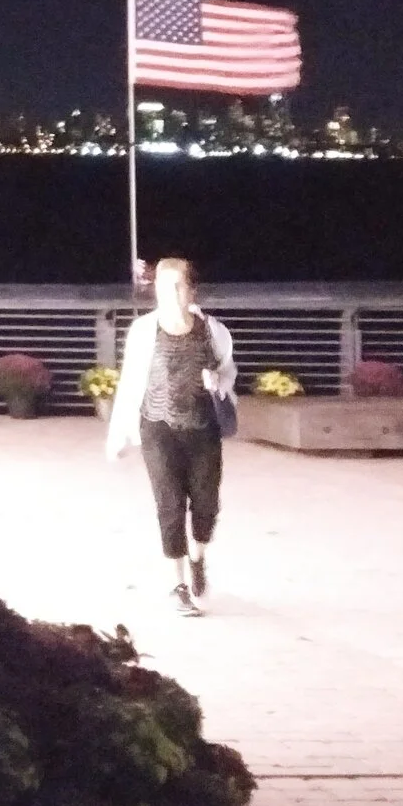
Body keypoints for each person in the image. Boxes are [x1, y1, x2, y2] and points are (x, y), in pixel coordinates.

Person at [106, 255, 237, 616]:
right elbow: (130, 383)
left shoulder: (214, 331)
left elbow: (229, 373)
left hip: (203, 428)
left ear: (192, 290)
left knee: (206, 504)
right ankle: (177, 585)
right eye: (163, 288)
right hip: (157, 427)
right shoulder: (143, 331)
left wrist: (217, 381)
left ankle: (198, 557)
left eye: (178, 286)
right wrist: (118, 436)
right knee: (169, 504)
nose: (171, 294)